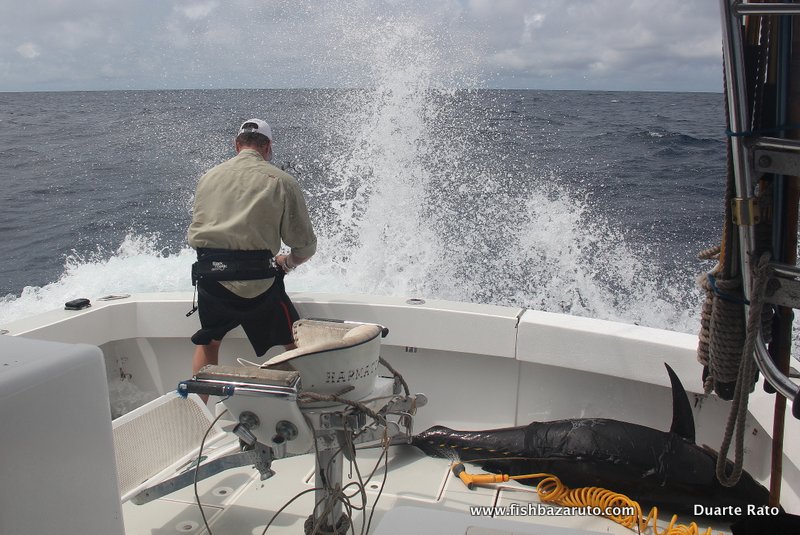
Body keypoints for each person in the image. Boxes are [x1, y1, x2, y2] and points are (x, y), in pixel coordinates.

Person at [187, 118, 316, 379]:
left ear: (237, 145)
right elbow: (304, 247)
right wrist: (287, 263)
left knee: (209, 341)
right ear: (268, 147)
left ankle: (198, 403)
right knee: (293, 339)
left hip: (211, 279)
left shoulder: (208, 178)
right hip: (260, 283)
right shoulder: (282, 181)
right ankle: (308, 394)